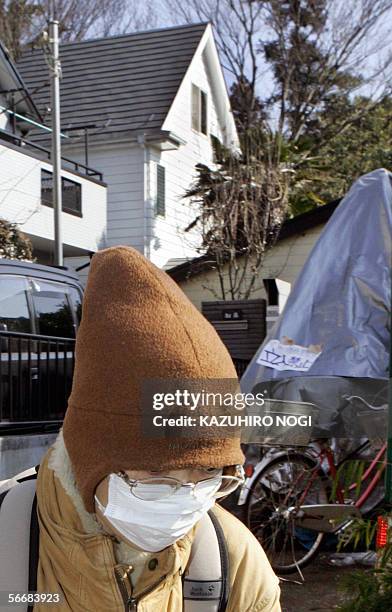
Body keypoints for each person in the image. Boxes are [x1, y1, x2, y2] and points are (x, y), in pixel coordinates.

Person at [0, 246, 281, 611]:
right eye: (156, 475)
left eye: (210, 472)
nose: (185, 500)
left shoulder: (231, 560)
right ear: (90, 455)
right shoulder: (12, 549)